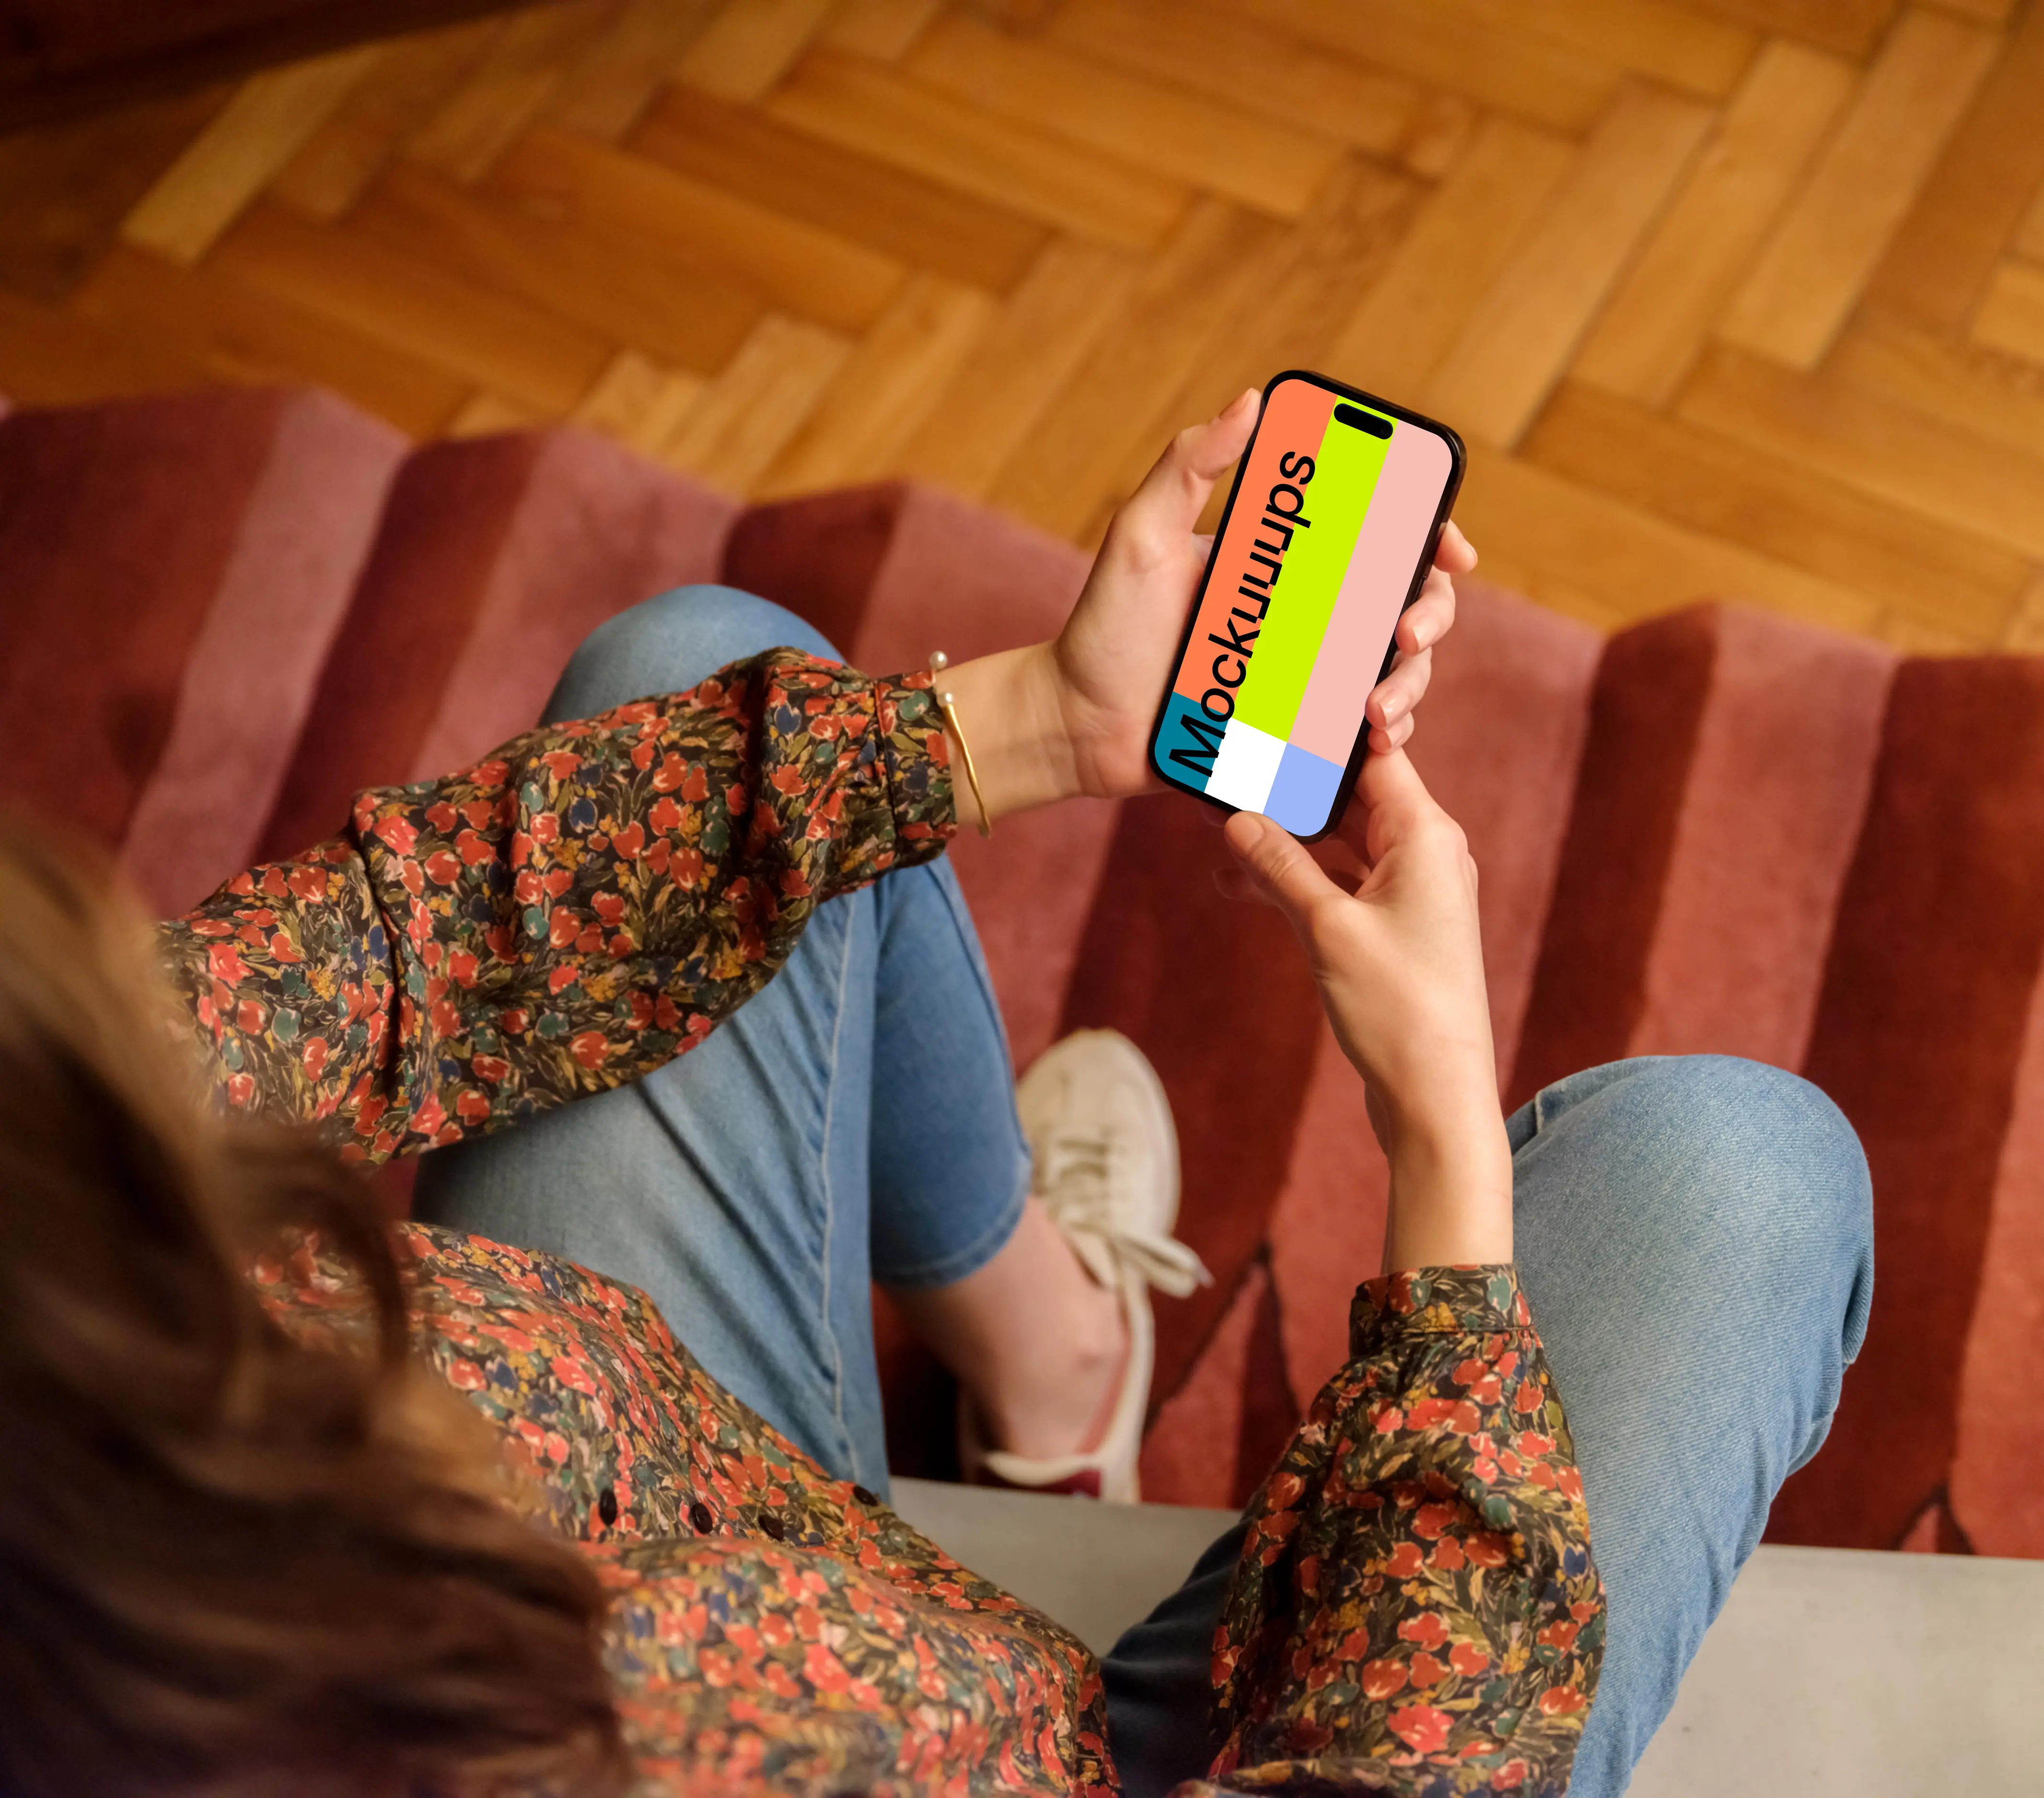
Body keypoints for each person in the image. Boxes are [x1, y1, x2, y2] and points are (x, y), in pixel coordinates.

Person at [0, 391, 1871, 1798]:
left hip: (671, 1502)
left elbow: (380, 952)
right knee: (1735, 1174)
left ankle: (1051, 1371)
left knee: (694, 667)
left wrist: (1046, 713)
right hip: (975, 1747)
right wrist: (1446, 1161)